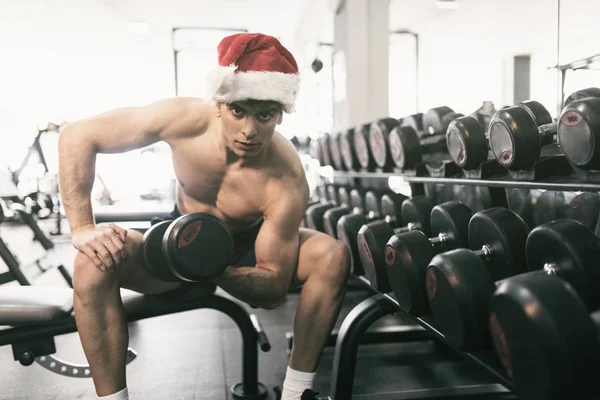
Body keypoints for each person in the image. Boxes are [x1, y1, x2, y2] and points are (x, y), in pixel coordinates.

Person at [58, 32, 350, 400]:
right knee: (91, 262)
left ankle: (296, 392)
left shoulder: (286, 178)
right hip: (172, 239)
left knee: (332, 255)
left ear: (281, 113)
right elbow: (77, 136)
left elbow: (273, 290)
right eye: (238, 111)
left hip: (242, 250)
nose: (249, 130)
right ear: (218, 103)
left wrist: (215, 266)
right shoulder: (184, 119)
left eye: (265, 116)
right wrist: (82, 227)